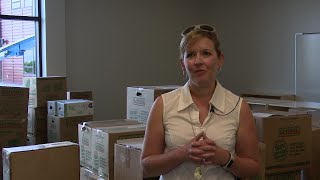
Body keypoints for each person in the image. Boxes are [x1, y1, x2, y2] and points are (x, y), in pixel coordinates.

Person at [141, 24, 260, 180]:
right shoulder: (162, 104)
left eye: (206, 53)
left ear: (219, 60)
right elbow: (147, 167)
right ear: (183, 64)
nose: (198, 61)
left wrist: (225, 158)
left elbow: (252, 169)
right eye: (190, 55)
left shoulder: (239, 107)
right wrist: (183, 153)